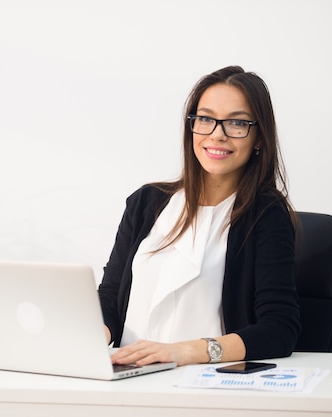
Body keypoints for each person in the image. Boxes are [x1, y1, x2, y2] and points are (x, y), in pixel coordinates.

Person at [98, 65, 300, 367]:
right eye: (205, 119)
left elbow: (280, 329)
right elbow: (111, 298)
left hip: (208, 380)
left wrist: (183, 352)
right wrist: (90, 336)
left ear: (259, 138)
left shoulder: (266, 215)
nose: (217, 135)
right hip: (129, 374)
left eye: (237, 123)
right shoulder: (146, 202)